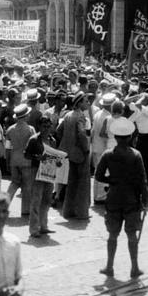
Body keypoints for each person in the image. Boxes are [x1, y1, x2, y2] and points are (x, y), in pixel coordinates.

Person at [94, 117, 148, 279]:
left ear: (116, 137)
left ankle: (109, 266)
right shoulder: (136, 155)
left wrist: (111, 180)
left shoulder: (108, 155)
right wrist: (145, 201)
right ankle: (134, 268)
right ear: (130, 137)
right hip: (132, 199)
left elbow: (98, 176)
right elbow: (143, 180)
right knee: (132, 235)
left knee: (112, 235)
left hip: (113, 197)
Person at [24, 115, 61, 238]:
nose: (47, 129)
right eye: (44, 126)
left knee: (46, 199)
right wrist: (36, 157)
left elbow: (54, 155)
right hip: (37, 171)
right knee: (36, 200)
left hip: (49, 172)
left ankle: (43, 226)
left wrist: (58, 161)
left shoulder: (52, 140)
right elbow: (26, 154)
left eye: (49, 126)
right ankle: (34, 229)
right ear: (39, 126)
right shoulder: (34, 140)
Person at [59, 91, 91, 219]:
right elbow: (82, 134)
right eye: (85, 101)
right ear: (79, 103)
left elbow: (58, 130)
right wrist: (86, 148)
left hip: (69, 153)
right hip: (80, 153)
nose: (87, 103)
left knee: (71, 183)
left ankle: (68, 211)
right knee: (83, 183)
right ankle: (82, 212)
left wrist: (67, 144)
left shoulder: (68, 115)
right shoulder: (80, 116)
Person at [5, 104, 36, 218]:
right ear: (26, 116)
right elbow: (34, 146)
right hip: (27, 161)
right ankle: (25, 210)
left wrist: (8, 161)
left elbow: (8, 148)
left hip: (14, 159)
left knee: (14, 183)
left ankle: (4, 205)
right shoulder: (30, 129)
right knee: (27, 186)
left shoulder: (10, 130)